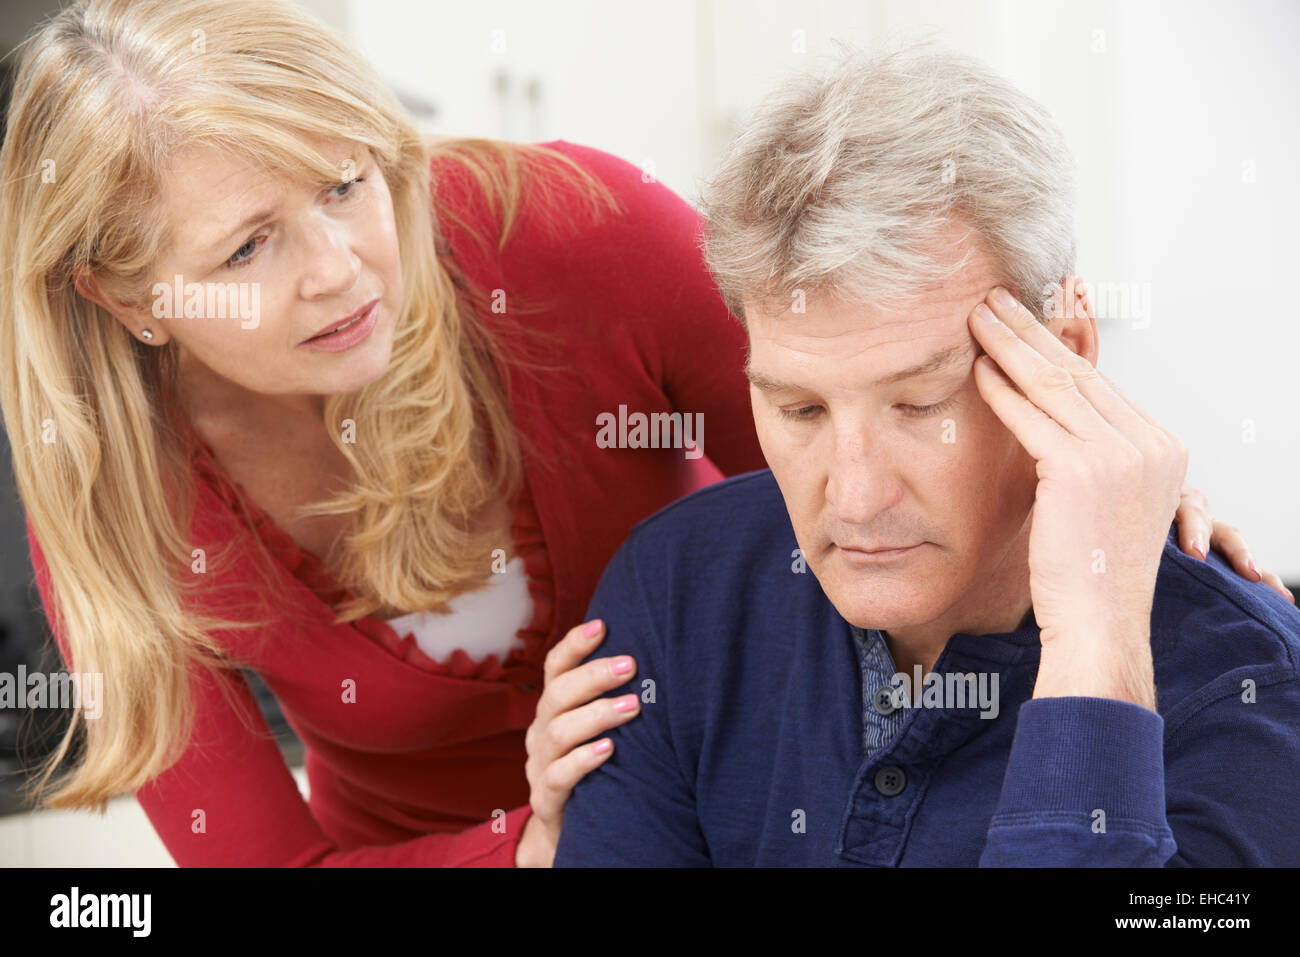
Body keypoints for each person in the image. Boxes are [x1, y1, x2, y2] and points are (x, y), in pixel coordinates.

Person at [0, 3, 1277, 868]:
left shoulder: (575, 240)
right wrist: (525, 846)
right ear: (125, 297)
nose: (344, 271)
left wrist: (1116, 518)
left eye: (348, 183)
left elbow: (859, 408)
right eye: (246, 246)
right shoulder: (116, 491)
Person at [553, 45, 1300, 867]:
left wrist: (1095, 645)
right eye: (800, 407)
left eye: (919, 407)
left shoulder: (1247, 685)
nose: (858, 499)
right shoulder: (676, 592)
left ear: (1067, 360)